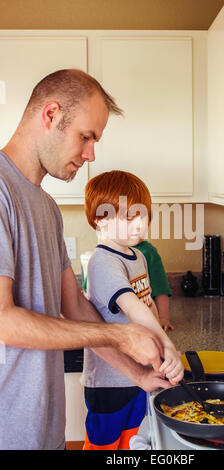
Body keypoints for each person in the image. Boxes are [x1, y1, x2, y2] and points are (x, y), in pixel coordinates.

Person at [0, 69, 171, 451]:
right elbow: (3, 321)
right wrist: (120, 334)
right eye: (86, 136)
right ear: (50, 114)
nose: (91, 153)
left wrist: (137, 375)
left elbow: (74, 304)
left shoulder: (45, 206)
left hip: (45, 428)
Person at [82, 170, 184, 450]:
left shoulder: (138, 255)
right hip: (110, 381)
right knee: (105, 445)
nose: (140, 225)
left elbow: (147, 303)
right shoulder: (103, 262)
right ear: (99, 220)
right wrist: (168, 346)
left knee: (135, 442)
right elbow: (132, 305)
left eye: (144, 216)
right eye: (129, 217)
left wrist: (160, 354)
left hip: (141, 374)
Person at [135, 240, 174, 332]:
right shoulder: (107, 252)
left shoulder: (148, 252)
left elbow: (160, 287)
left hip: (146, 319)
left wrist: (163, 317)